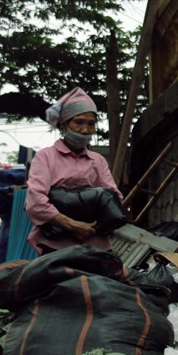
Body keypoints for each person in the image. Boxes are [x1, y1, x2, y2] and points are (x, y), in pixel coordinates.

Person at [25, 87, 123, 255]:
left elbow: (114, 196)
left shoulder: (97, 161)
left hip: (95, 244)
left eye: (91, 124)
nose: (85, 130)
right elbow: (36, 202)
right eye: (78, 122)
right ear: (64, 125)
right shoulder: (45, 157)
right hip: (56, 246)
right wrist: (73, 225)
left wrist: (93, 226)